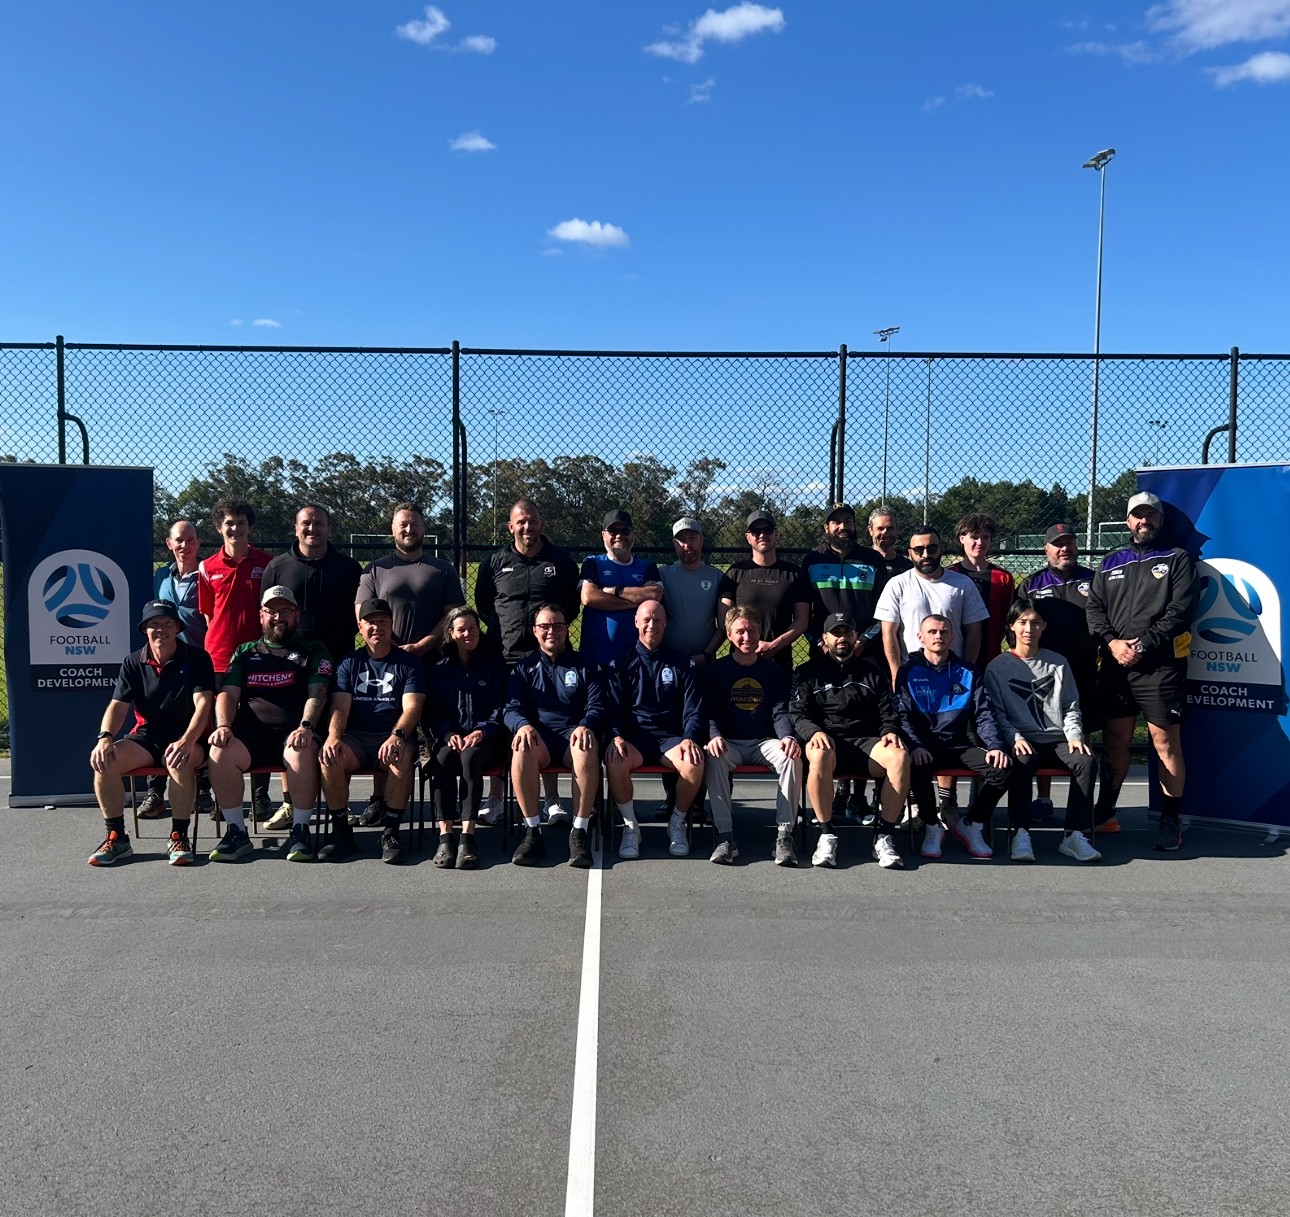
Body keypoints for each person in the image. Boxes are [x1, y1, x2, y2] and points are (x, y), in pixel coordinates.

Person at [1086, 491, 1198, 850]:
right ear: (1128, 521)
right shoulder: (1110, 561)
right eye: (1137, 515)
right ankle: (1105, 812)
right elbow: (1095, 609)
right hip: (1116, 665)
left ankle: (1170, 820)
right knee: (1116, 740)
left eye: (1150, 515)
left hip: (1159, 667)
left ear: (1160, 520)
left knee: (1165, 742)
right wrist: (1113, 644)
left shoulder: (1177, 558)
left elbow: (1180, 610)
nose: (1143, 521)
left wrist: (1144, 644)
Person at [205, 586, 333, 864]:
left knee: (301, 749)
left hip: (293, 734)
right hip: (251, 737)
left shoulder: (314, 649)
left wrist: (306, 726)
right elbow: (228, 692)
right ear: (261, 615)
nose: (278, 617)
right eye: (272, 611)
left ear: (296, 614)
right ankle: (236, 832)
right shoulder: (244, 652)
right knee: (218, 752)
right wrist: (223, 725)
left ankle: (300, 831)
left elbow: (318, 693)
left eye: (285, 610)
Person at [356, 502, 464, 821]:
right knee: (385, 729)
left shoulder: (441, 569)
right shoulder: (374, 570)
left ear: (423, 529)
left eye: (414, 524)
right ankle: (379, 798)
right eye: (403, 524)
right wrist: (393, 646)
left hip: (436, 663)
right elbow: (361, 614)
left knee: (437, 732)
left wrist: (423, 644)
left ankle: (443, 800)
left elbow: (453, 616)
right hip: (387, 666)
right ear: (392, 529)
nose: (409, 529)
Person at [86, 600, 215, 868]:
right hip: (146, 738)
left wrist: (187, 741)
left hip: (187, 737)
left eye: (167, 623)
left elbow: (204, 704)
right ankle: (117, 837)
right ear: (144, 629)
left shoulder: (197, 657)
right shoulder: (133, 662)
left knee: (177, 760)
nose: (161, 629)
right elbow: (117, 706)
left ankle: (179, 836)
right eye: (154, 624)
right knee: (105, 760)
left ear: (177, 627)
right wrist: (105, 737)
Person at [475, 498, 581, 822]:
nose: (527, 526)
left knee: (548, 721)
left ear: (541, 524)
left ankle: (551, 800)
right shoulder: (494, 562)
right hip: (504, 658)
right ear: (511, 526)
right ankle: (495, 799)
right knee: (510, 726)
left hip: (547, 657)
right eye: (520, 521)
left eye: (532, 520)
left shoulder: (561, 561)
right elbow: (483, 605)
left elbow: (571, 608)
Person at [260, 503, 362, 829]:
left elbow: (358, 617)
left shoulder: (348, 568)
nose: (312, 529)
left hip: (339, 660)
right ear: (296, 528)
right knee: (293, 728)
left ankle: (339, 805)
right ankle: (291, 803)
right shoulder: (277, 567)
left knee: (336, 731)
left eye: (319, 523)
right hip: (292, 662)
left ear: (329, 529)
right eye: (306, 523)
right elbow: (267, 619)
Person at [790, 611, 910, 869]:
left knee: (899, 756)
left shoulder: (873, 673)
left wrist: (890, 730)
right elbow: (798, 714)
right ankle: (826, 834)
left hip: (866, 744)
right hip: (828, 744)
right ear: (825, 639)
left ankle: (884, 835)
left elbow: (888, 711)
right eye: (836, 633)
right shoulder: (807, 673)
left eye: (847, 632)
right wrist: (814, 732)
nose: (841, 638)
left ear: (856, 637)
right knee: (819, 753)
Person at [985, 600, 1101, 863]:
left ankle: (1074, 835)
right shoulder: (997, 667)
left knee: (1085, 761)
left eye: (1035, 623)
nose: (1029, 629)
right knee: (1023, 761)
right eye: (1023, 622)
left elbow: (1071, 705)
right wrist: (1014, 737)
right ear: (1012, 626)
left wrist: (1074, 735)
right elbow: (997, 714)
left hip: (1058, 739)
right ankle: (1021, 833)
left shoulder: (1058, 663)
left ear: (1044, 627)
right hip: (1024, 740)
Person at [800, 502, 890, 824]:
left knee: (860, 720)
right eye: (836, 522)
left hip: (864, 651)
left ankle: (857, 797)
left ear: (855, 526)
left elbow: (885, 611)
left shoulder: (872, 560)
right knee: (829, 719)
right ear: (826, 527)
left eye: (847, 522)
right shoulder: (812, 561)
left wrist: (863, 640)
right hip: (824, 653)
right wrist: (817, 642)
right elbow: (804, 613)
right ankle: (833, 795)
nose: (842, 527)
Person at [318, 598, 426, 866]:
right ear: (360, 627)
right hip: (356, 737)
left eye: (383, 622)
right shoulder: (349, 663)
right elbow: (340, 706)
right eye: (371, 622)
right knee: (329, 756)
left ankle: (390, 833)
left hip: (390, 735)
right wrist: (333, 737)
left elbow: (413, 707)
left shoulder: (408, 663)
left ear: (391, 626)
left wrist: (397, 735)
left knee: (401, 757)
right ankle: (342, 832)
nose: (377, 627)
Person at [895, 614, 1010, 860]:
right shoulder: (908, 671)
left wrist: (995, 745)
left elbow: (984, 714)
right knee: (915, 766)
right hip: (924, 747)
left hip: (958, 746)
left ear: (952, 636)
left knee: (1002, 768)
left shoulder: (967, 671)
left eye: (944, 631)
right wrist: (914, 745)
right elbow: (902, 716)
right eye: (932, 632)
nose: (938, 636)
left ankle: (972, 824)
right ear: (920, 637)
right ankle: (932, 826)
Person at [502, 603, 606, 869]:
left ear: (566, 628)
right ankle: (532, 831)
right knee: (521, 747)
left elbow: (596, 706)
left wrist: (586, 725)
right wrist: (522, 725)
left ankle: (579, 830)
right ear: (535, 631)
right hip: (541, 739)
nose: (552, 632)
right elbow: (511, 709)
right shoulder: (523, 669)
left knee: (586, 745)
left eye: (558, 626)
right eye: (545, 626)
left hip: (572, 735)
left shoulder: (586, 665)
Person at [703, 606, 804, 866]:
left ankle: (784, 836)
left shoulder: (772, 670)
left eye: (752, 630)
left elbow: (780, 712)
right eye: (740, 631)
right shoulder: (717, 670)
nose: (746, 637)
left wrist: (788, 737)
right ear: (728, 635)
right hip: (731, 742)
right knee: (713, 756)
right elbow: (711, 712)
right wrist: (714, 735)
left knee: (791, 758)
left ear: (760, 632)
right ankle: (725, 836)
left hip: (763, 741)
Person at [605, 601, 705, 860]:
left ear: (666, 623)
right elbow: (612, 709)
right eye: (646, 620)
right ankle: (630, 827)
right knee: (614, 759)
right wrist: (616, 736)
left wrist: (690, 739)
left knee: (694, 763)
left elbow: (694, 709)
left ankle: (677, 822)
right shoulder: (620, 663)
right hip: (634, 739)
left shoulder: (683, 663)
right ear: (636, 622)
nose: (652, 625)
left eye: (657, 620)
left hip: (670, 739)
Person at [1016, 523, 1100, 821]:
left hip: (1084, 667)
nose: (1064, 549)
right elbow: (1018, 623)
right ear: (1046, 549)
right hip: (1044, 672)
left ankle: (1082, 801)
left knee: (1083, 731)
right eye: (1057, 544)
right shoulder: (1032, 584)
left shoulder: (1094, 580)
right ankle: (1044, 797)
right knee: (1044, 730)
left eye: (1069, 543)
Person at [198, 498, 274, 821]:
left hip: (259, 657)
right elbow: (206, 614)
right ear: (219, 528)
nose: (235, 528)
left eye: (241, 523)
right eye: (229, 523)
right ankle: (222, 797)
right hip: (218, 659)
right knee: (221, 727)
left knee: (259, 721)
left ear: (249, 527)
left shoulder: (267, 563)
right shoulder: (206, 567)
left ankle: (260, 797)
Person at [425, 607, 511, 869]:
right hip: (452, 738)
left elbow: (503, 707)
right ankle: (445, 837)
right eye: (461, 629)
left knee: (470, 757)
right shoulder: (440, 669)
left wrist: (482, 730)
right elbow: (433, 710)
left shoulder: (493, 665)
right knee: (442, 759)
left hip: (486, 741)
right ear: (451, 633)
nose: (467, 634)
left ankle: (467, 837)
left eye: (472, 628)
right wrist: (448, 732)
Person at [138, 519, 207, 820]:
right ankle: (156, 792)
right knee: (158, 719)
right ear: (169, 544)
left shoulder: (207, 573)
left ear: (198, 543)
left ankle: (202, 790)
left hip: (199, 659)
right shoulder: (160, 576)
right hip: (165, 662)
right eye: (179, 540)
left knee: (201, 720)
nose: (185, 545)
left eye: (190, 539)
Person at [717, 508, 810, 678]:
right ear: (748, 537)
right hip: (740, 660)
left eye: (767, 530)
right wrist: (748, 647)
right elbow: (724, 620)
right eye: (755, 531)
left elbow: (802, 620)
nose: (762, 535)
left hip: (779, 660)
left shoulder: (794, 574)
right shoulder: (735, 572)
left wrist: (774, 646)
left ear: (776, 534)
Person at [578, 508, 663, 666]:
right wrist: (637, 600)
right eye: (612, 531)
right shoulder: (593, 562)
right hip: (596, 659)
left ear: (633, 535)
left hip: (636, 662)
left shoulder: (647, 566)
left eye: (625, 531)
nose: (619, 536)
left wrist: (612, 591)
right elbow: (589, 597)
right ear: (603, 534)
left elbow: (655, 594)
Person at [948, 512, 1015, 665]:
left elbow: (1006, 619)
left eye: (985, 537)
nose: (980, 542)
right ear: (962, 538)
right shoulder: (949, 575)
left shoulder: (1003, 577)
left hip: (990, 654)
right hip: (954, 651)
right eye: (974, 537)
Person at [659, 517, 725, 670]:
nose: (687, 544)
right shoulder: (661, 575)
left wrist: (706, 655)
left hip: (705, 661)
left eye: (692, 538)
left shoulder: (717, 576)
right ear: (675, 544)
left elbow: (724, 625)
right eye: (681, 540)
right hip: (669, 661)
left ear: (701, 541)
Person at [868, 506, 913, 578]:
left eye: (890, 528)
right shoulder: (861, 562)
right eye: (880, 528)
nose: (885, 532)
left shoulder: (909, 569)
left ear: (897, 529)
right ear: (870, 530)